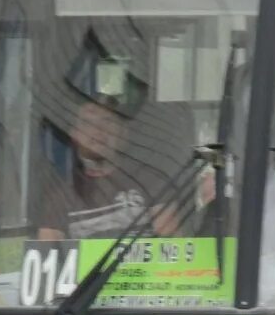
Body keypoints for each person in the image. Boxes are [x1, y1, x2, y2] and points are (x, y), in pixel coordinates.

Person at [35, 97, 214, 241]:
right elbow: (47, 259)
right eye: (88, 123)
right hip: (87, 287)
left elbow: (171, 245)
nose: (98, 131)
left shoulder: (150, 180)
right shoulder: (59, 197)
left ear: (123, 133)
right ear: (74, 135)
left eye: (108, 122)